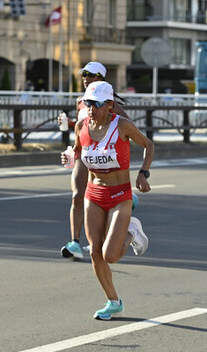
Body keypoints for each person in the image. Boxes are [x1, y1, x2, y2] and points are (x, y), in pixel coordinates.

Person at [62, 80, 154, 320]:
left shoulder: (122, 126)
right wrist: (70, 157)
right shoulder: (82, 125)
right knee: (95, 253)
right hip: (94, 194)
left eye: (97, 104)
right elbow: (78, 151)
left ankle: (132, 230)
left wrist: (143, 173)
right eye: (88, 103)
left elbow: (148, 145)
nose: (91, 108)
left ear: (110, 104)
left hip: (120, 196)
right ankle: (114, 302)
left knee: (110, 255)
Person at [59, 62, 130, 260]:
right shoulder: (81, 101)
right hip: (84, 154)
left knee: (101, 199)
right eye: (84, 74)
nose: (86, 78)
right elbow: (83, 126)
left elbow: (128, 127)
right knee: (76, 195)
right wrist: (68, 124)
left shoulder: (109, 103)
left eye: (91, 75)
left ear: (101, 78)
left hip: (104, 158)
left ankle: (126, 209)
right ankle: (74, 242)